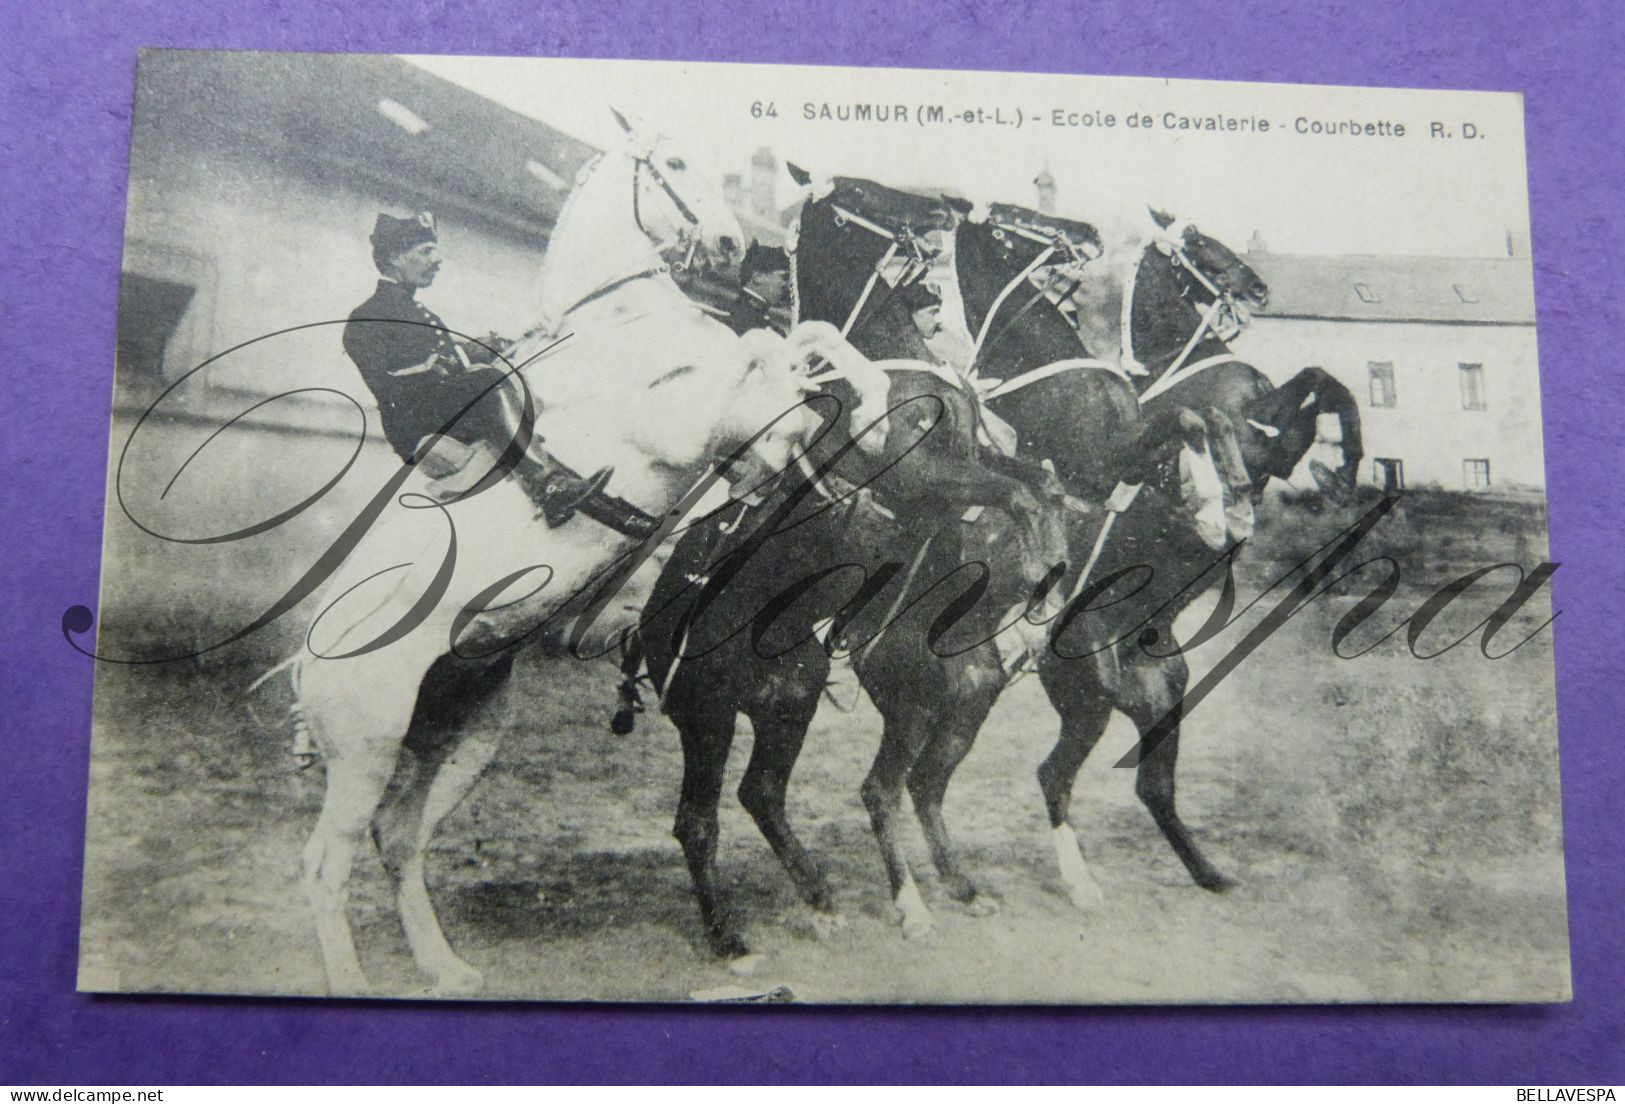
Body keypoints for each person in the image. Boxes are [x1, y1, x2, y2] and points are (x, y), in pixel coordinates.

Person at [343, 211, 611, 520]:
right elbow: (415, 376)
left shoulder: (410, 308)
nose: (437, 259)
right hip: (419, 425)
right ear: (395, 257)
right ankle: (548, 485)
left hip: (443, 409)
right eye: (425, 251)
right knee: (487, 381)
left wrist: (515, 336)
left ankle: (583, 496)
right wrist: (474, 359)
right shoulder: (367, 317)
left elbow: (448, 358)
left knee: (512, 373)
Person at [725, 241, 791, 336]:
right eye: (784, 278)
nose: (788, 286)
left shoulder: (720, 313)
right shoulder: (772, 335)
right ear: (758, 277)